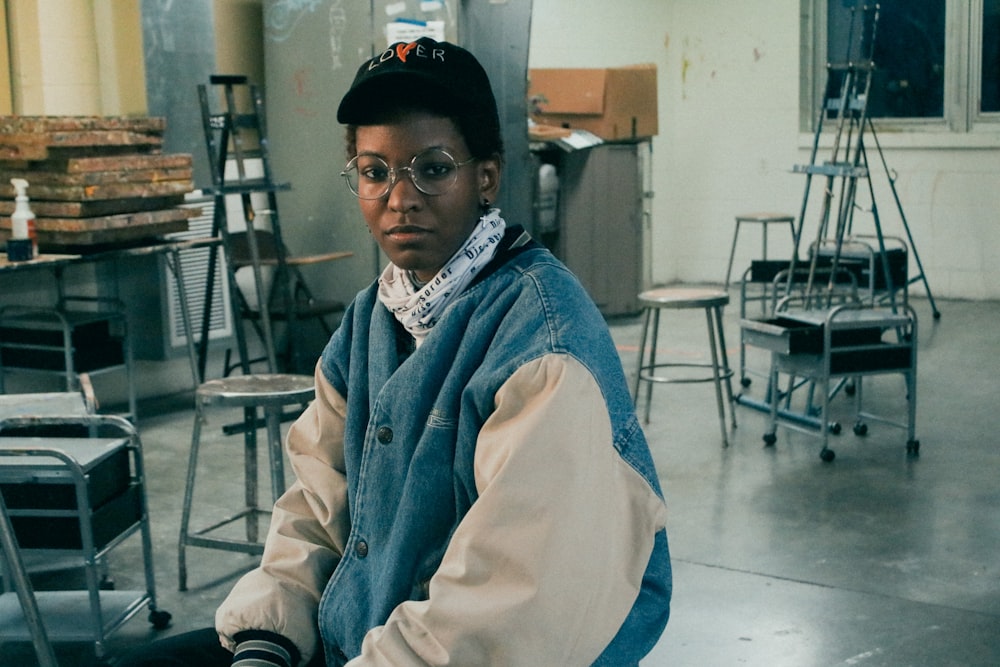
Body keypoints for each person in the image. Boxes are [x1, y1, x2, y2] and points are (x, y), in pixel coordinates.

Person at [119, 37, 671, 667]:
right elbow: (316, 510)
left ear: (485, 176)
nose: (398, 197)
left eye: (432, 168)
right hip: (369, 638)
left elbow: (508, 602)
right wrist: (267, 637)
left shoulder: (543, 348)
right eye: (375, 171)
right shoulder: (371, 321)